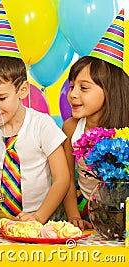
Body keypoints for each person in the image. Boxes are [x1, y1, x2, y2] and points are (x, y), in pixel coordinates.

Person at [0, 3, 70, 224]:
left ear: (22, 90)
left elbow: (62, 179)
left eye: (1, 98)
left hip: (39, 218)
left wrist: (39, 217)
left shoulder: (42, 125)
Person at [62, 10, 129, 230]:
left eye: (83, 88)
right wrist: (73, 217)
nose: (73, 94)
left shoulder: (124, 132)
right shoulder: (71, 128)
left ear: (109, 91)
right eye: (72, 87)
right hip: (83, 209)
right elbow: (68, 181)